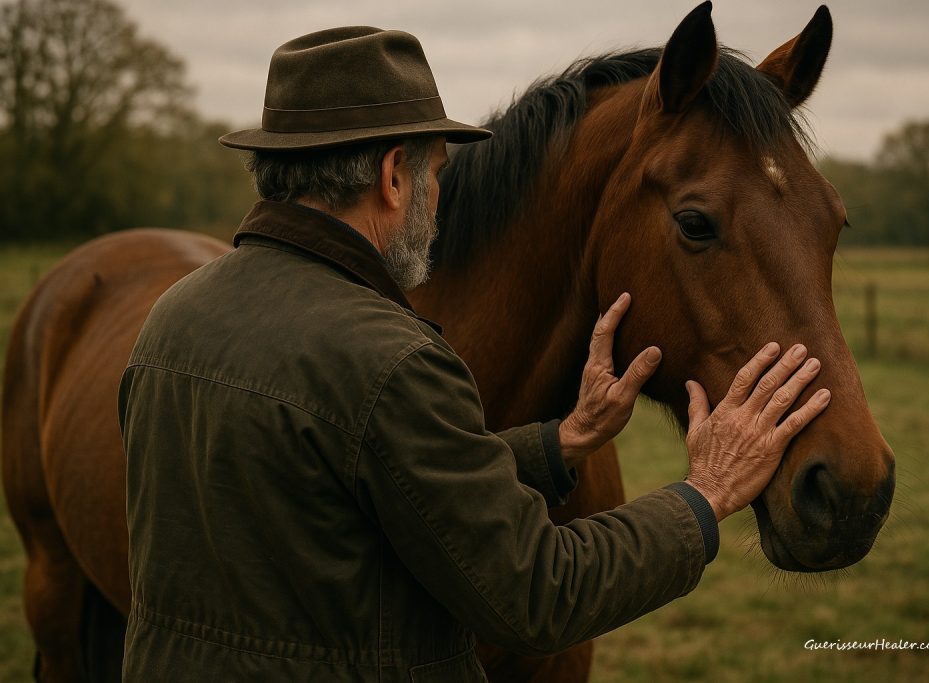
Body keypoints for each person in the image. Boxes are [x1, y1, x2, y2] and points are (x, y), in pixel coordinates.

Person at [118, 27, 831, 682]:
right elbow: (535, 592)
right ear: (394, 176)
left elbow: (339, 480)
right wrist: (703, 496)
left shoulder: (173, 318)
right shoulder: (390, 359)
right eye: (436, 171)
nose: (439, 192)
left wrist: (562, 441)